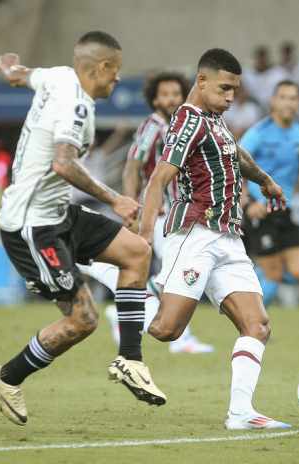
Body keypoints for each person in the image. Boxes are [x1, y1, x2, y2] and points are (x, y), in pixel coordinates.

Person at [0, 31, 165, 428]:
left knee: (136, 252)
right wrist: (115, 198)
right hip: (32, 228)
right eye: (115, 72)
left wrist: (9, 66)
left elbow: (20, 75)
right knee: (82, 320)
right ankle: (8, 377)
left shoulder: (58, 75)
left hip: (57, 213)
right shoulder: (76, 105)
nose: (117, 80)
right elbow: (63, 164)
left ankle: (131, 359)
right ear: (100, 68)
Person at [140, 48, 291, 430]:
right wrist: (142, 240)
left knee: (257, 325)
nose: (230, 98)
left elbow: (234, 153)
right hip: (195, 234)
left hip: (229, 236)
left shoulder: (215, 119)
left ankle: (241, 412)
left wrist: (266, 181)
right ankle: (127, 300)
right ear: (201, 80)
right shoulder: (187, 120)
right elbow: (159, 179)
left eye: (235, 91)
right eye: (224, 88)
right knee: (166, 330)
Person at [78, 71, 214, 354]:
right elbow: (132, 166)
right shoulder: (152, 126)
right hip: (162, 212)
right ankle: (180, 338)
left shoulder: (183, 125)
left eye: (176, 94)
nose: (171, 99)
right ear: (154, 99)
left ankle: (123, 303)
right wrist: (131, 205)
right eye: (164, 95)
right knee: (179, 271)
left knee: (175, 272)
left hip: (180, 211)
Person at [240, 80, 299, 306]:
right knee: (273, 276)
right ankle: (252, 323)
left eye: (293, 98)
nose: (289, 102)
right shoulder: (257, 134)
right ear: (273, 102)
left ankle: (247, 283)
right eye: (284, 97)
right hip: (260, 209)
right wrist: (247, 204)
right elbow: (235, 167)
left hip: (285, 209)